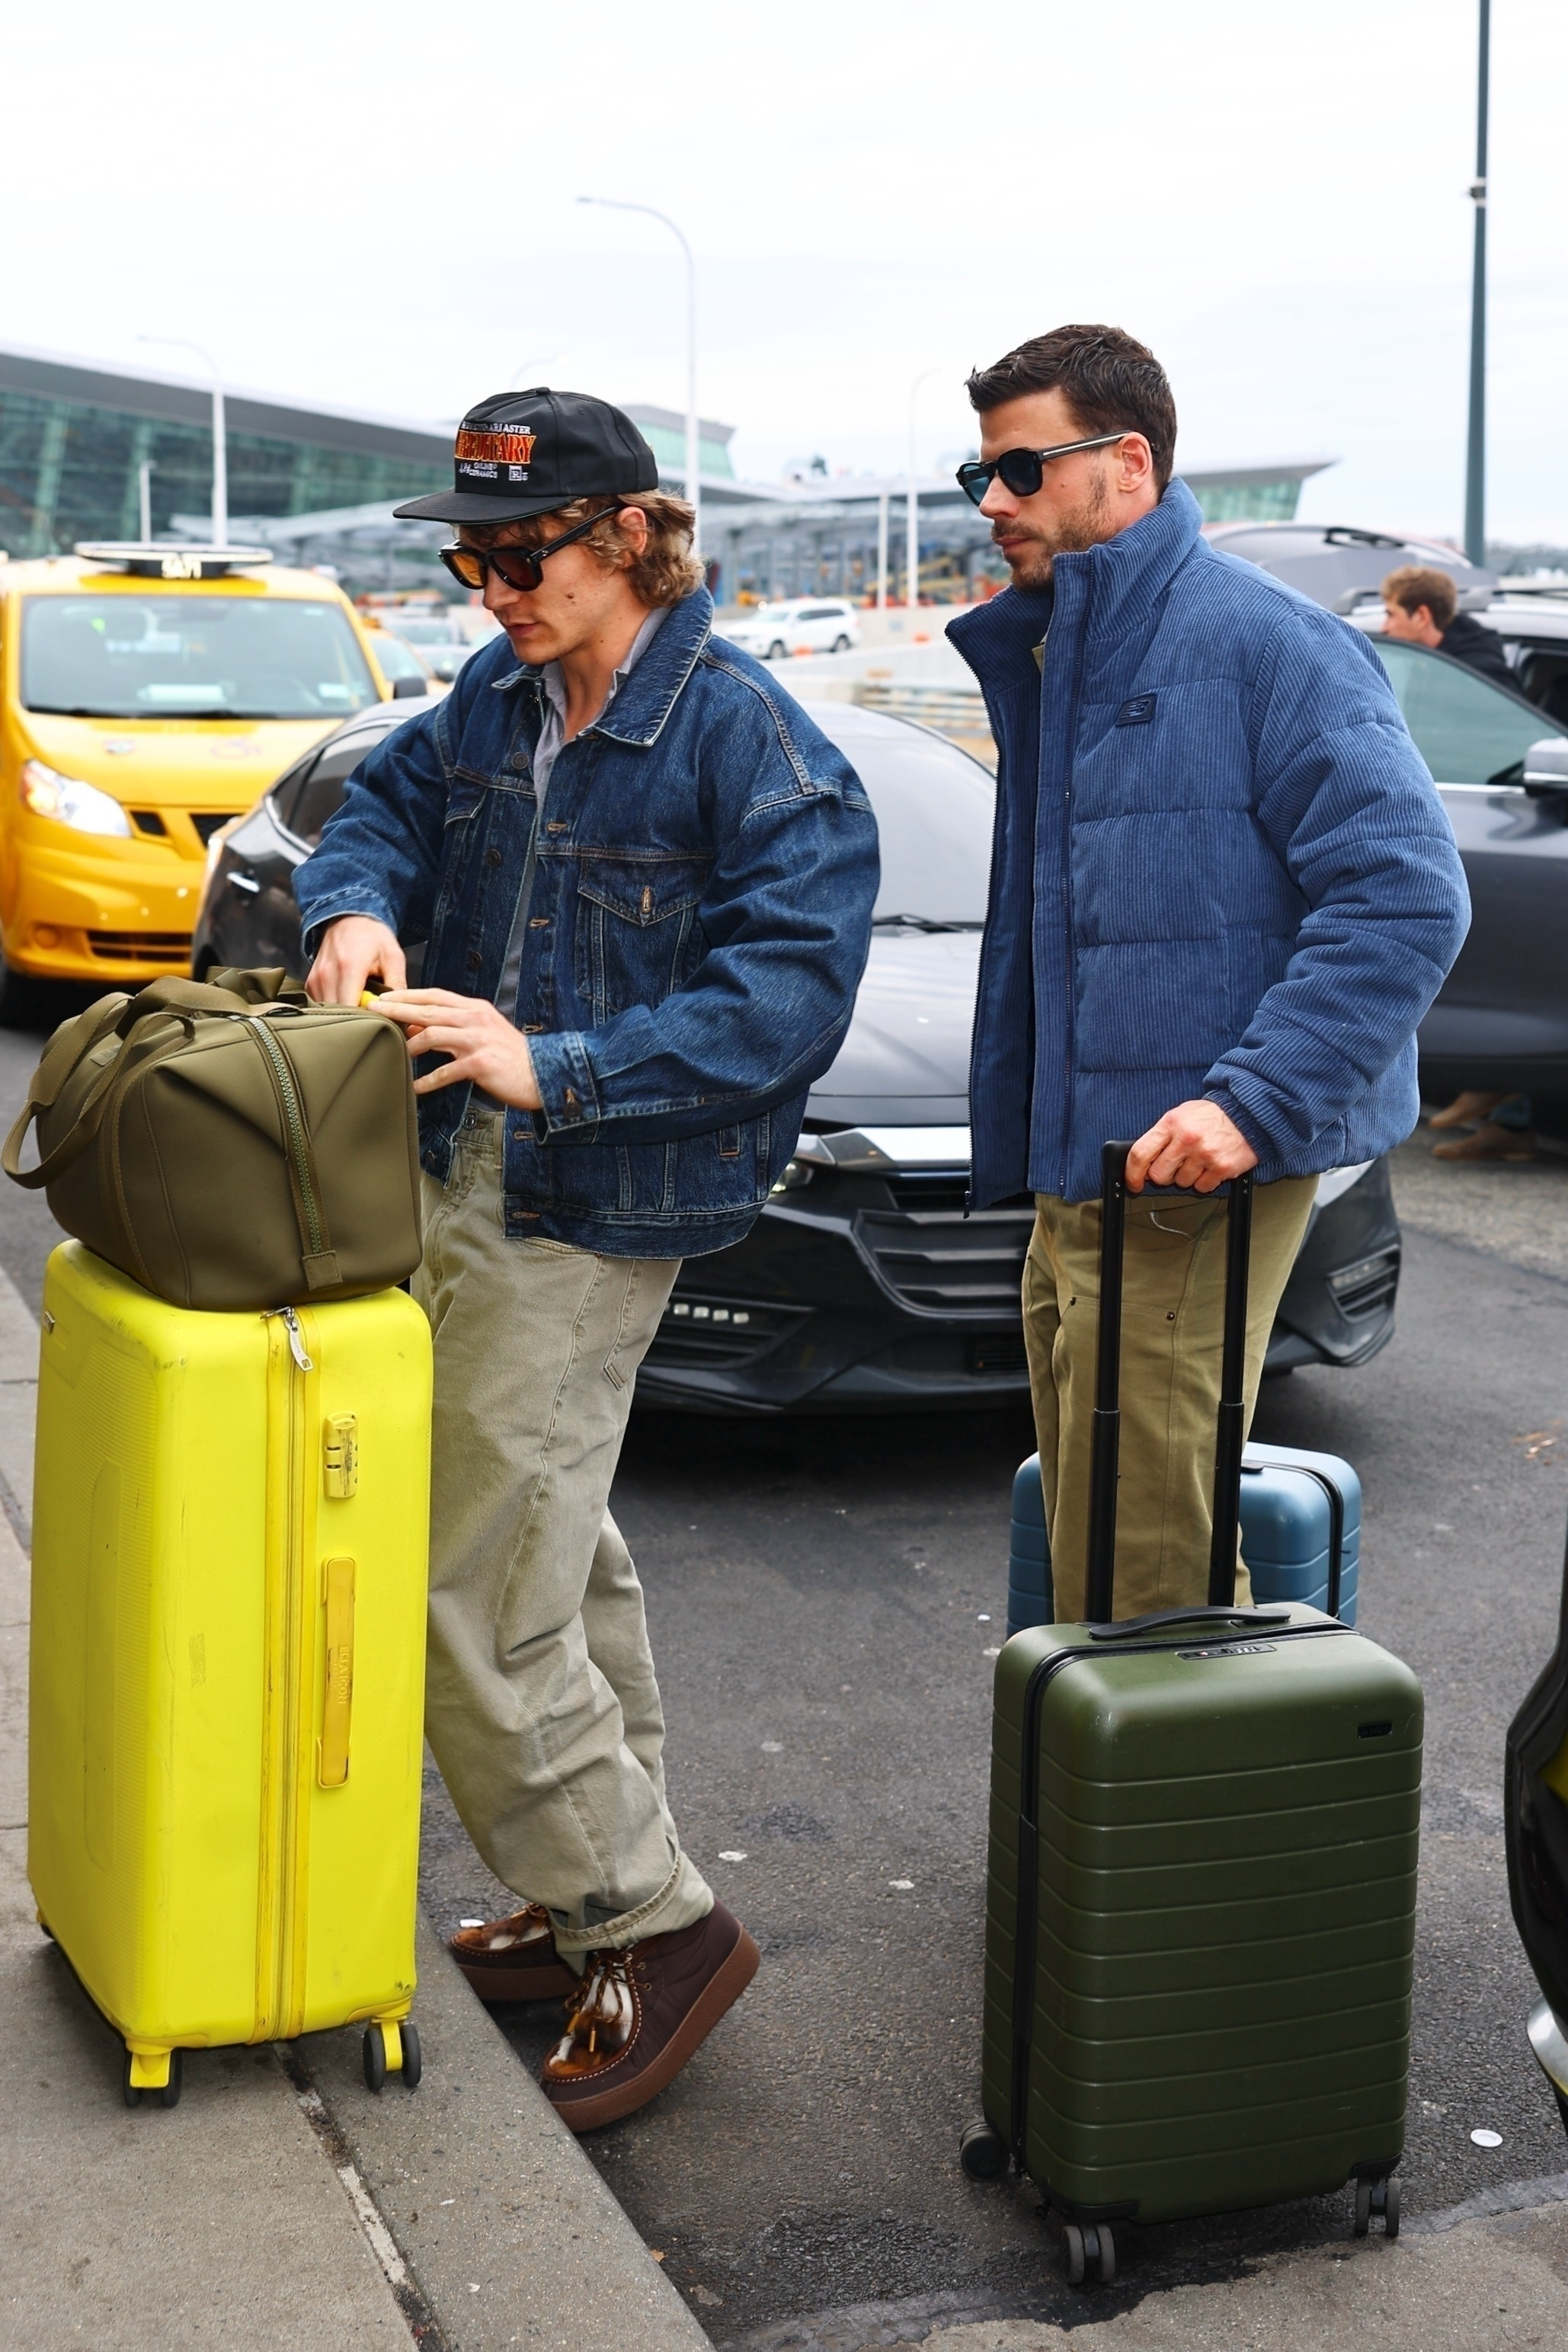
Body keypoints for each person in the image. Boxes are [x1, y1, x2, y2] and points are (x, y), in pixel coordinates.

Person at [295, 387, 878, 2130]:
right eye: (468, 554)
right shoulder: (506, 692)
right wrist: (358, 910)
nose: (489, 587)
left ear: (633, 534)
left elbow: (785, 1004)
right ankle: (587, 1901)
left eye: (520, 551)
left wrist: (560, 1063)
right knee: (557, 1559)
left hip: (591, 1202)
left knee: (462, 1596)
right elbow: (375, 810)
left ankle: (653, 1926)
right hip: (458, 1180)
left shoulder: (754, 747)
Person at [947, 325, 1470, 1624]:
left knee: (1146, 1548)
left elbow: (1404, 895)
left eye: (1019, 470)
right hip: (1087, 1169)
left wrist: (1246, 1102)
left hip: (1194, 1168)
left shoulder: (1267, 647)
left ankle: (1187, 1808)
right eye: (981, 477)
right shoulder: (1063, 651)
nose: (992, 503)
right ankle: (1105, 1803)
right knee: (1094, 1517)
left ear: (1125, 462)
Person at [1381, 562, 1515, 690]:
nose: (1384, 628)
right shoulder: (1425, 663)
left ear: (1422, 617)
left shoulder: (1472, 677)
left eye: (1391, 615)